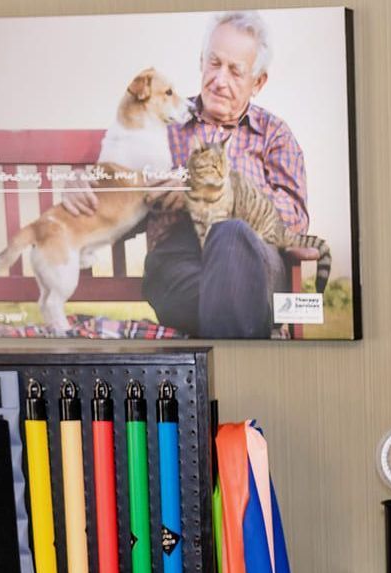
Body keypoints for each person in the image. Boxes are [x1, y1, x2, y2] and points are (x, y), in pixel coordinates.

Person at [72, 10, 314, 338]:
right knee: (236, 298)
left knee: (232, 238)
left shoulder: (274, 135)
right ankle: (245, 351)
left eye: (235, 70)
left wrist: (214, 190)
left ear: (258, 82)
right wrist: (82, 187)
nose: (219, 79)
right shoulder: (160, 125)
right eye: (214, 63)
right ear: (201, 61)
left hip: (254, 255)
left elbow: (295, 218)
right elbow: (117, 196)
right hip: (178, 259)